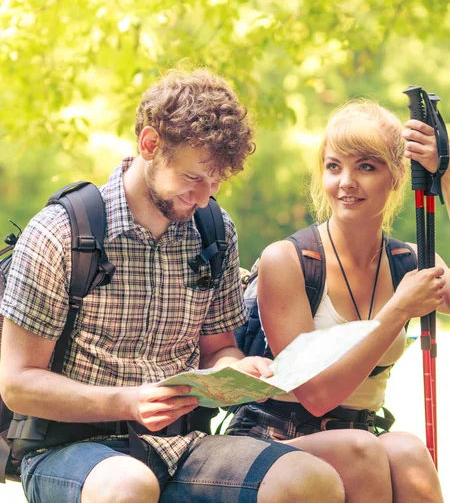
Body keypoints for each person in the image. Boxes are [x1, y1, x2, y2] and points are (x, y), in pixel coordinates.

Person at [0, 70, 346, 503]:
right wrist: (127, 402)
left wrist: (231, 371)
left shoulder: (215, 232)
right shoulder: (60, 234)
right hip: (69, 450)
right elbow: (16, 383)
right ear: (150, 145)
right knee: (129, 486)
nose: (204, 197)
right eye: (193, 178)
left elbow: (219, 347)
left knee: (312, 480)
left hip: (183, 446)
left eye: (216, 182)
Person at [226, 100, 448, 503]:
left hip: (361, 434)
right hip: (275, 435)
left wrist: (445, 174)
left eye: (366, 166)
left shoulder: (409, 264)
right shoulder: (290, 260)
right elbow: (317, 395)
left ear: (397, 176)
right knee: (362, 452)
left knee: (408, 451)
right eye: (334, 166)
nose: (346, 181)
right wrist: (399, 309)